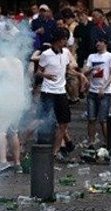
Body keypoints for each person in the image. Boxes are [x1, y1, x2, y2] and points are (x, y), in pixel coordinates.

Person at [36, 28, 88, 161]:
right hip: (48, 91)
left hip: (61, 91)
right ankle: (30, 143)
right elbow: (39, 71)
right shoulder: (46, 54)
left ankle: (56, 150)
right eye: (64, 39)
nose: (66, 41)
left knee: (63, 122)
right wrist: (45, 75)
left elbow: (67, 69)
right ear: (58, 40)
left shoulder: (65, 52)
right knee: (43, 120)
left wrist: (80, 74)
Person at [82, 38, 111, 148]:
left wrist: (104, 86)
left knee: (103, 119)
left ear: (105, 44)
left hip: (105, 92)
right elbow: (84, 71)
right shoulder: (92, 56)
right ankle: (91, 142)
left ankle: (108, 143)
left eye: (100, 42)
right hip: (92, 91)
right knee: (91, 118)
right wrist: (92, 69)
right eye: (96, 42)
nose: (97, 44)